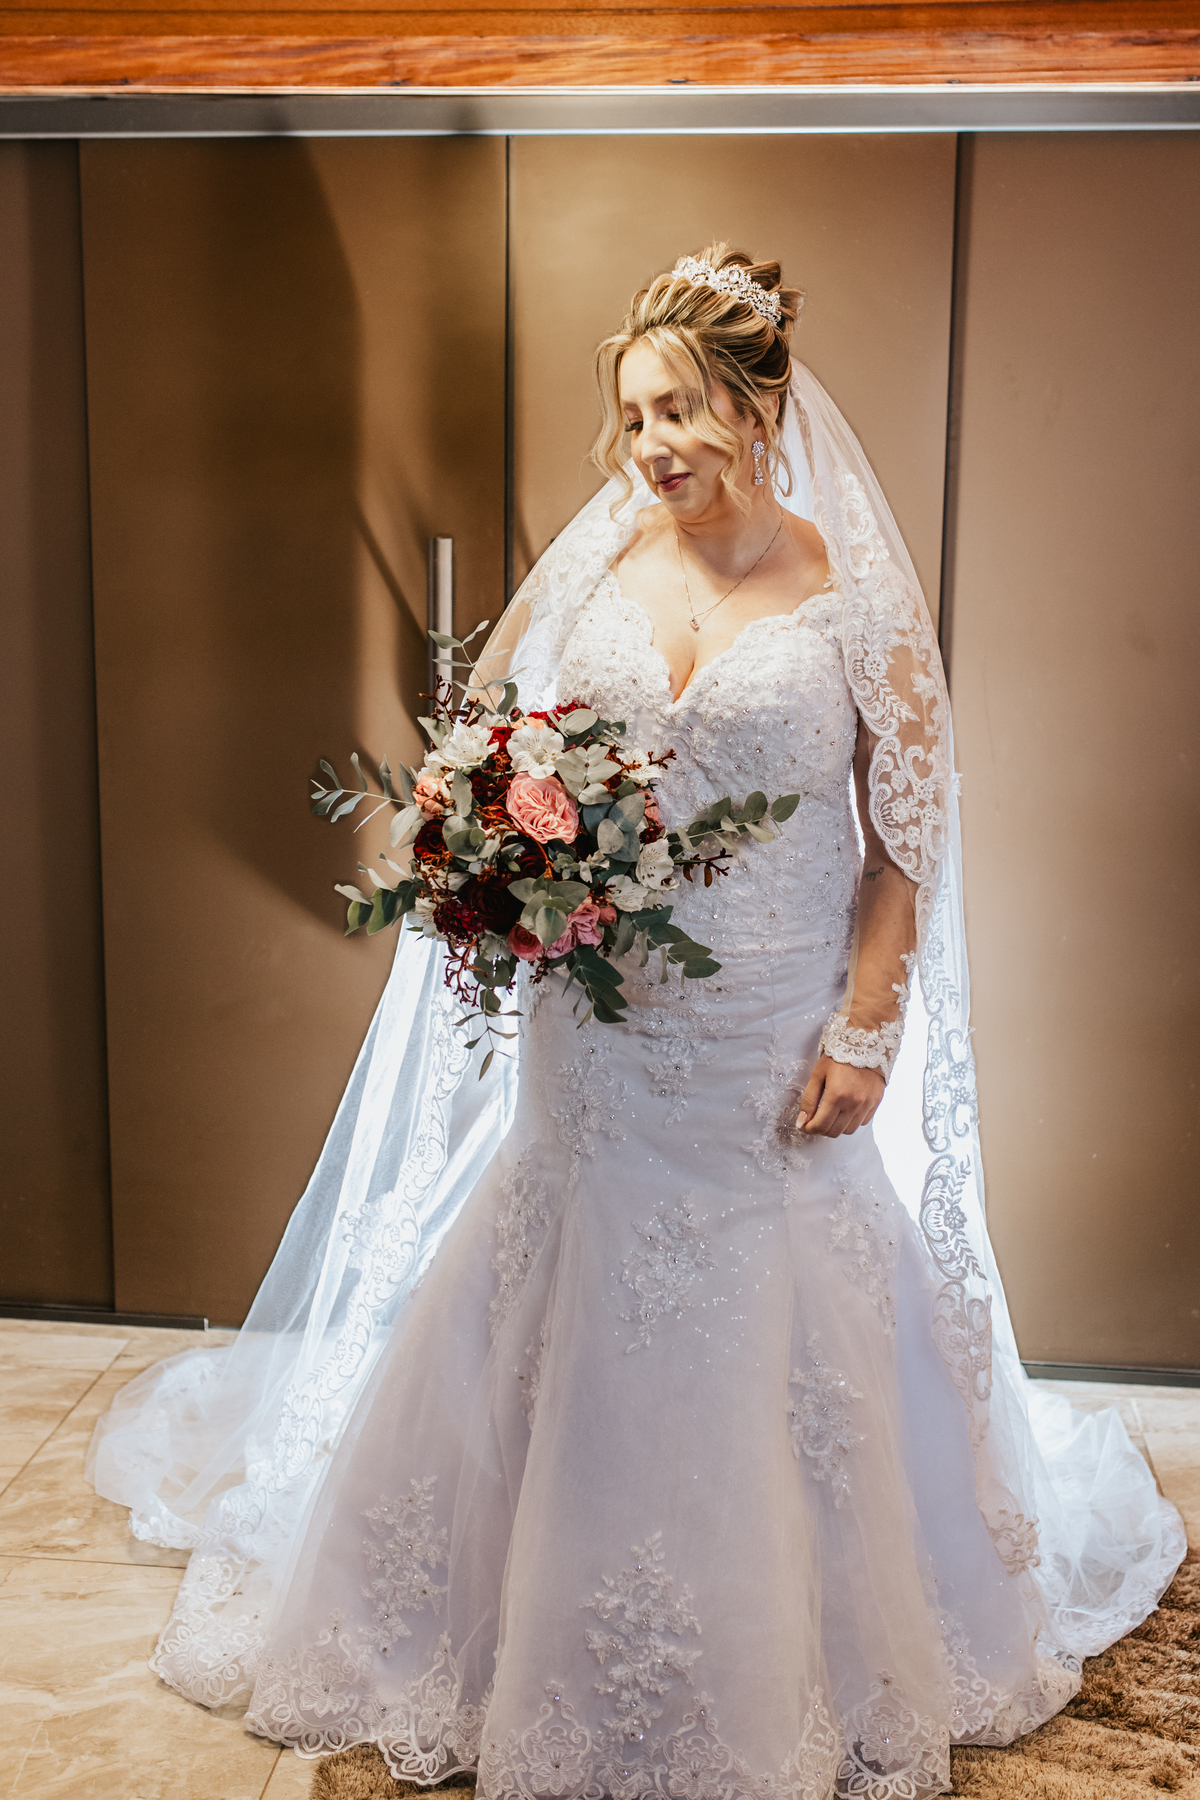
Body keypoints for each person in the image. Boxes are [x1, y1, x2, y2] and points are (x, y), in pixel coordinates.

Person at [89, 246, 1183, 1799]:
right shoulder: (601, 568)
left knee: (770, 1317)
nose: (650, 444)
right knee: (558, 1268)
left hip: (764, 1035)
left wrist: (866, 1028)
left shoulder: (851, 597)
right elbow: (488, 758)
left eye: (678, 409)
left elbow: (906, 838)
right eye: (633, 415)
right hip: (595, 1030)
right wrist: (486, 852)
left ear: (756, 406)